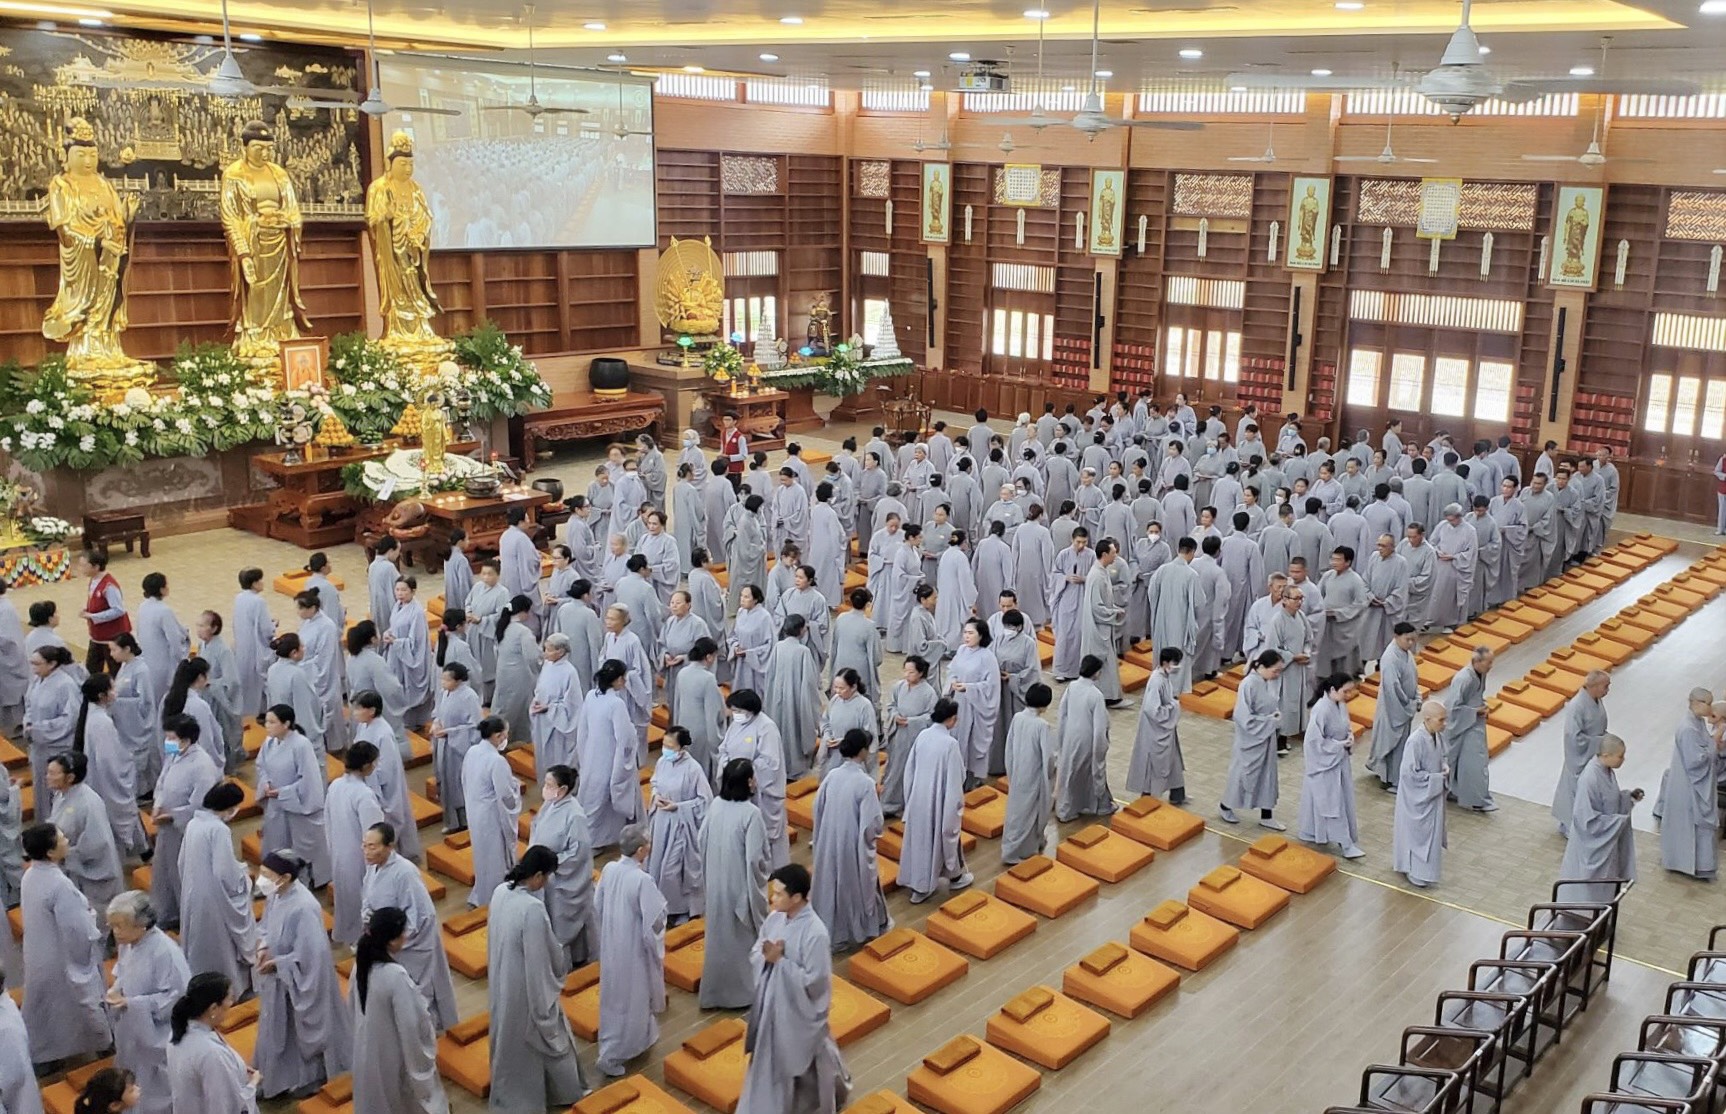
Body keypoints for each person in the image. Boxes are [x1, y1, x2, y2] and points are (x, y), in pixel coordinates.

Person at [736, 863, 851, 1114]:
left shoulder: (815, 933)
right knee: (770, 1060)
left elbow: (815, 982)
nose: (772, 898)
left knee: (807, 1060)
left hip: (799, 1011)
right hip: (772, 1005)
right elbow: (757, 951)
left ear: (797, 897)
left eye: (779, 894)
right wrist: (765, 957)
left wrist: (780, 962)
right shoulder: (775, 918)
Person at [486, 846, 588, 1113]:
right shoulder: (532, 908)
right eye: (547, 877)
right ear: (539, 875)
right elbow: (539, 957)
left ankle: (512, 1095)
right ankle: (560, 1092)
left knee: (510, 1037)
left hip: (503, 979)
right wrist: (556, 970)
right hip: (526, 985)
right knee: (547, 1035)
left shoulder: (500, 892)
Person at [254, 850, 350, 1100]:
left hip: (299, 981)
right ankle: (276, 1077)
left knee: (298, 1031)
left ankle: (308, 1079)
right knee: (276, 1029)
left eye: (267, 875)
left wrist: (279, 964)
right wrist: (263, 946)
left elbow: (312, 956)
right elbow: (267, 926)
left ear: (285, 877)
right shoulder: (276, 895)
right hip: (279, 979)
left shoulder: (305, 907)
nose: (261, 880)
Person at [22, 822, 109, 1068]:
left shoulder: (31, 875)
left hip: (38, 953)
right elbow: (77, 930)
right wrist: (91, 917)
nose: (67, 841)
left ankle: (45, 1053)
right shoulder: (60, 885)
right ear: (50, 852)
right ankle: (101, 1045)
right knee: (81, 1004)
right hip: (62, 958)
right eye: (62, 839)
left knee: (45, 1009)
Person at [360, 823, 459, 1031]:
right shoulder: (372, 868)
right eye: (364, 845)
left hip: (410, 946)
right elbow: (368, 898)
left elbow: (421, 915)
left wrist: (396, 940)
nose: (366, 851)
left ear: (390, 846)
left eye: (372, 846)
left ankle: (425, 1034)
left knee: (417, 994)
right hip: (388, 941)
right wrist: (369, 917)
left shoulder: (405, 873)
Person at [350, 908, 449, 1114]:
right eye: (403, 932)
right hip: (393, 1055)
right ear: (392, 941)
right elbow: (412, 1024)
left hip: (367, 1052)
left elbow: (353, 1010)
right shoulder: (395, 976)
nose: (405, 936)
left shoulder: (359, 967)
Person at [594, 824, 667, 1077]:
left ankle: (643, 1035)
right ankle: (612, 1054)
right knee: (631, 996)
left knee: (617, 995)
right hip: (633, 946)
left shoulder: (609, 868)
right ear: (640, 851)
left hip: (612, 941)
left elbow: (597, 904)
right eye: (647, 844)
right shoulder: (642, 880)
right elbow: (656, 919)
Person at [105, 890, 189, 1114]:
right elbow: (123, 972)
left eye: (119, 926)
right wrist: (116, 989)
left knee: (156, 1086)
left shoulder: (166, 952)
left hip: (158, 1031)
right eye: (112, 926)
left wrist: (132, 1004)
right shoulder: (128, 943)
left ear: (141, 925)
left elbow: (176, 997)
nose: (115, 932)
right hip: (132, 1027)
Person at [698, 758, 770, 1009]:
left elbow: (701, 840)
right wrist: (760, 883)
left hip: (716, 882)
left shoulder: (716, 805)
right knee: (740, 942)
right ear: (748, 782)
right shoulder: (751, 814)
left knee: (718, 938)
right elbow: (755, 860)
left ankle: (715, 993)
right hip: (740, 886)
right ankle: (742, 994)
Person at [810, 729, 891, 948]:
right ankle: (857, 930)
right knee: (855, 886)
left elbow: (817, 807)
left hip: (829, 839)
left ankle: (831, 931)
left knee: (830, 884)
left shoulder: (832, 775)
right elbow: (872, 824)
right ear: (862, 751)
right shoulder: (865, 783)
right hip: (852, 845)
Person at [178, 782, 254, 999]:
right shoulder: (219, 829)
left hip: (193, 892)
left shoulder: (194, 823)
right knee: (221, 945)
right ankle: (229, 988)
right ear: (229, 806)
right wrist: (243, 876)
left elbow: (181, 862)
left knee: (199, 942)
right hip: (215, 898)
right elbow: (224, 872)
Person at [898, 698, 972, 904]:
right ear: (952, 719)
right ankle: (926, 885)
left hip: (919, 797)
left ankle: (927, 880)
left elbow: (910, 770)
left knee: (920, 840)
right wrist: (955, 804)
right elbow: (957, 778)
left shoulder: (923, 735)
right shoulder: (950, 744)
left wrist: (910, 797)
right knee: (943, 838)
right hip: (940, 800)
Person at [148, 716, 219, 929]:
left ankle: (189, 916)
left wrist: (173, 816)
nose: (168, 742)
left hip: (186, 829)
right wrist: (157, 804)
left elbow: (201, 804)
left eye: (172, 738)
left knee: (184, 873)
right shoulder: (175, 754)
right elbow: (162, 782)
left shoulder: (202, 765)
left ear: (186, 740)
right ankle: (167, 913)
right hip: (166, 827)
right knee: (164, 872)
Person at [1561, 734, 1643, 902]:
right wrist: (1618, 821)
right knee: (1588, 892)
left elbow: (1610, 800)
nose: (1623, 760)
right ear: (1606, 755)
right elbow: (1586, 821)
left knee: (1605, 887)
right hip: (1592, 845)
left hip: (1606, 842)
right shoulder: (1590, 778)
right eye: (1620, 756)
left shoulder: (1606, 771)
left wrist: (1628, 798)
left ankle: (1601, 913)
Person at [255, 704, 331, 886]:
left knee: (300, 848)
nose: (267, 726)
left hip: (296, 804)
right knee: (276, 843)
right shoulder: (269, 742)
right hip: (275, 803)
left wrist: (283, 792)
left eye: (272, 722)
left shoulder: (301, 745)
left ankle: (302, 882)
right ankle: (275, 879)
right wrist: (266, 783)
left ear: (286, 724)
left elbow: (309, 779)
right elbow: (261, 766)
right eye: (266, 721)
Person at [167, 973, 260, 1114]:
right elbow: (228, 1105)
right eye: (229, 999)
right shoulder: (212, 1053)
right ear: (213, 1009)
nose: (232, 1003)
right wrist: (253, 1083)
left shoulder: (176, 1034)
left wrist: (235, 1067)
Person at [576, 659, 643, 849]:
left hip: (591, 755)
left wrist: (583, 755)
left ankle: (593, 838)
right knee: (604, 798)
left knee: (593, 797)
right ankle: (595, 841)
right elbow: (624, 737)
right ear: (618, 679)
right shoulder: (616, 704)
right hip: (611, 758)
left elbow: (583, 729)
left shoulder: (591, 695)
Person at [718, 690, 789, 867]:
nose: (735, 714)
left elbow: (770, 763)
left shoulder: (766, 728)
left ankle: (770, 869)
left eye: (738, 710)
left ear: (750, 710)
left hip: (759, 791)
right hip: (737, 785)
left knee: (764, 834)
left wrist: (744, 772)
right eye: (733, 710)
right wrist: (728, 766)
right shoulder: (736, 724)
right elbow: (724, 748)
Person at [646, 727, 711, 923]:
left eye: (670, 746)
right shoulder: (662, 761)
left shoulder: (693, 769)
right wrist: (656, 796)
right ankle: (660, 906)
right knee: (657, 865)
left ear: (682, 748)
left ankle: (681, 908)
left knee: (672, 871)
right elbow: (655, 782)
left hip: (681, 826)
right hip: (661, 822)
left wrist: (679, 807)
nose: (666, 749)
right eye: (664, 745)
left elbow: (704, 801)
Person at [44, 749, 122, 910]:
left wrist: (64, 853)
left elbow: (96, 844)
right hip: (69, 865)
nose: (47, 777)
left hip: (90, 872)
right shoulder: (60, 795)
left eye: (52, 773)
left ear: (70, 778)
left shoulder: (89, 803)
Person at [1297, 674, 1364, 859]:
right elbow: (1313, 741)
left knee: (1330, 799)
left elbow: (1345, 727)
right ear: (1333, 689)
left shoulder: (1340, 705)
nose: (1348, 695)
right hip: (1325, 762)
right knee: (1332, 803)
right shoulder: (1321, 709)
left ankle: (1311, 831)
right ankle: (1346, 844)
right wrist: (1338, 745)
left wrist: (1349, 737)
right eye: (1345, 691)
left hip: (1338, 759)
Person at [325, 742, 386, 945]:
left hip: (339, 852)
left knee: (346, 898)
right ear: (366, 766)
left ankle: (350, 935)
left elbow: (328, 822)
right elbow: (374, 833)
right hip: (360, 857)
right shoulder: (363, 794)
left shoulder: (335, 785)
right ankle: (362, 938)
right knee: (364, 898)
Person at [351, 690, 419, 861]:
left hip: (386, 788)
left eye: (358, 708)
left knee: (391, 822)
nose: (355, 713)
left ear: (371, 710)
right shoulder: (363, 726)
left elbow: (387, 768)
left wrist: (368, 777)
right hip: (367, 780)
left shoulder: (383, 733)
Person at [1660, 688, 1720, 880]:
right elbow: (1695, 762)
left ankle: (1702, 864)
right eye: (1707, 703)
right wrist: (1714, 744)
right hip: (1689, 784)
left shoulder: (1697, 722)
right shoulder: (1687, 728)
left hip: (1696, 782)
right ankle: (1685, 863)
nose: (1710, 708)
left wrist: (1711, 745)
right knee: (1690, 823)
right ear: (1695, 702)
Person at [1222, 651, 1286, 829]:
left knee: (1268, 777)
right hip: (1250, 739)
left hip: (1266, 736)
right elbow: (1242, 716)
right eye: (1275, 670)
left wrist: (1274, 718)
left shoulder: (1268, 682)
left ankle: (1267, 814)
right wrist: (1269, 721)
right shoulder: (1249, 683)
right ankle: (1225, 805)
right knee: (1242, 774)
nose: (1277, 675)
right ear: (1262, 666)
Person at [1053, 654, 1115, 822]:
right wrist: (1101, 746)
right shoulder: (1096, 695)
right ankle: (1097, 805)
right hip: (1087, 739)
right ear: (1095, 672)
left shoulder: (1072, 686)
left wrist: (1062, 736)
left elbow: (1062, 714)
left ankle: (1067, 808)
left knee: (1070, 771)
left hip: (1070, 735)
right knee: (1089, 771)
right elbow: (1100, 726)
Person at [1001, 683, 1056, 865]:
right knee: (1031, 812)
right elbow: (1048, 756)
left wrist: (1010, 768)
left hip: (1017, 771)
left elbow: (1009, 746)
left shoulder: (1018, 717)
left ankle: (1017, 846)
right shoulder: (1042, 725)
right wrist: (1051, 771)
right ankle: (1019, 851)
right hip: (1034, 774)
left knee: (1017, 812)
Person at [764, 614, 823, 780]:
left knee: (780, 728)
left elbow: (770, 675)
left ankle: (778, 764)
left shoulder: (778, 647)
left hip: (777, 697)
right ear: (801, 630)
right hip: (796, 698)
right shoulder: (803, 651)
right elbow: (809, 683)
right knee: (796, 730)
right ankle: (795, 765)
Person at [24, 645, 83, 811]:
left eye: (37, 664)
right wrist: (28, 723)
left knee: (56, 789)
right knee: (41, 786)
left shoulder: (66, 685)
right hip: (38, 745)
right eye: (32, 663)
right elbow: (29, 705)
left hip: (57, 745)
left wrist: (40, 729)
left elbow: (70, 719)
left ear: (52, 664)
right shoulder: (37, 680)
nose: (34, 668)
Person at [1552, 671, 1610, 838]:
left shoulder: (1595, 700)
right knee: (1575, 790)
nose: (1607, 690)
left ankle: (1585, 822)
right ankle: (1570, 825)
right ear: (1594, 686)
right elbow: (1573, 736)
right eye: (1605, 686)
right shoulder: (1577, 705)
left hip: (1593, 752)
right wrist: (1598, 742)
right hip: (1579, 755)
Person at [1128, 648, 1187, 804]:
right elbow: (1152, 709)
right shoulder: (1157, 680)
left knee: (1174, 761)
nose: (1177, 666)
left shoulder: (1164, 677)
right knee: (1152, 764)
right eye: (1175, 663)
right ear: (1165, 663)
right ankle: (1146, 798)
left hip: (1165, 729)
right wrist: (1174, 706)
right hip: (1155, 730)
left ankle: (1177, 794)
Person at [1366, 624, 1421, 790]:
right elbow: (1392, 688)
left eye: (1413, 640)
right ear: (1396, 636)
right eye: (1407, 639)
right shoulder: (1390, 657)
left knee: (1401, 744)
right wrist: (1408, 704)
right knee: (1391, 742)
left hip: (1405, 705)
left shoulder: (1406, 653)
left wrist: (1416, 697)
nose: (1410, 643)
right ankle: (1390, 778)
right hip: (1394, 708)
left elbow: (1413, 678)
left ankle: (1395, 775)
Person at [1443, 647, 1496, 812]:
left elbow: (1477, 697)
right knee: (1464, 761)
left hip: (1473, 723)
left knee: (1475, 761)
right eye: (1488, 663)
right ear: (1477, 661)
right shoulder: (1463, 678)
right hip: (1460, 724)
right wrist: (1475, 711)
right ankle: (1466, 796)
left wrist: (1482, 707)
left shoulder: (1481, 674)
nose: (1491, 666)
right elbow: (1452, 708)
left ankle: (1474, 796)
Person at [428, 663, 480, 831]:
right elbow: (438, 714)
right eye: (442, 679)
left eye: (447, 680)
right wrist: (436, 724)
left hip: (458, 748)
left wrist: (449, 732)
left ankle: (464, 821)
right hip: (443, 744)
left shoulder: (469, 696)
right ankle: (451, 821)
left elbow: (474, 726)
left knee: (458, 783)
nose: (443, 682)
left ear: (458, 681)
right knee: (445, 782)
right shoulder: (445, 693)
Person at [1145, 538, 1201, 693]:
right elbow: (1198, 601)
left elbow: (1151, 592)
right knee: (1177, 653)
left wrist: (1159, 607)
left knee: (1163, 652)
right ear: (1192, 552)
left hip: (1162, 619)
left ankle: (1159, 685)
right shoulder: (1191, 574)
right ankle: (1174, 690)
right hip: (1180, 622)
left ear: (1178, 549)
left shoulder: (1163, 569)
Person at [348, 622, 409, 744]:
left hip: (359, 705)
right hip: (372, 708)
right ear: (373, 639)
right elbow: (391, 690)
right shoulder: (374, 661)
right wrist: (402, 698)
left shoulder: (351, 657)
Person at [369, 538, 402, 631]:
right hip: (387, 606)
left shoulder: (372, 565)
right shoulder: (389, 567)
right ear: (391, 551)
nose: (398, 554)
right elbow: (400, 586)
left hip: (375, 605)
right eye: (398, 550)